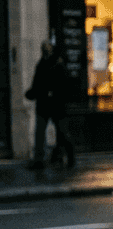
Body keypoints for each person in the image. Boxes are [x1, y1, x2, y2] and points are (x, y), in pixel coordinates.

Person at [25, 40, 75, 169]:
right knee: (40, 133)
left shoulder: (57, 64)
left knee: (61, 132)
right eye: (43, 49)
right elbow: (37, 83)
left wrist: (40, 92)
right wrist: (33, 93)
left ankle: (68, 157)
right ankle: (40, 160)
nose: (44, 51)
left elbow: (64, 85)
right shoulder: (42, 64)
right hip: (45, 104)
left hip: (56, 105)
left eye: (46, 49)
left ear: (50, 50)